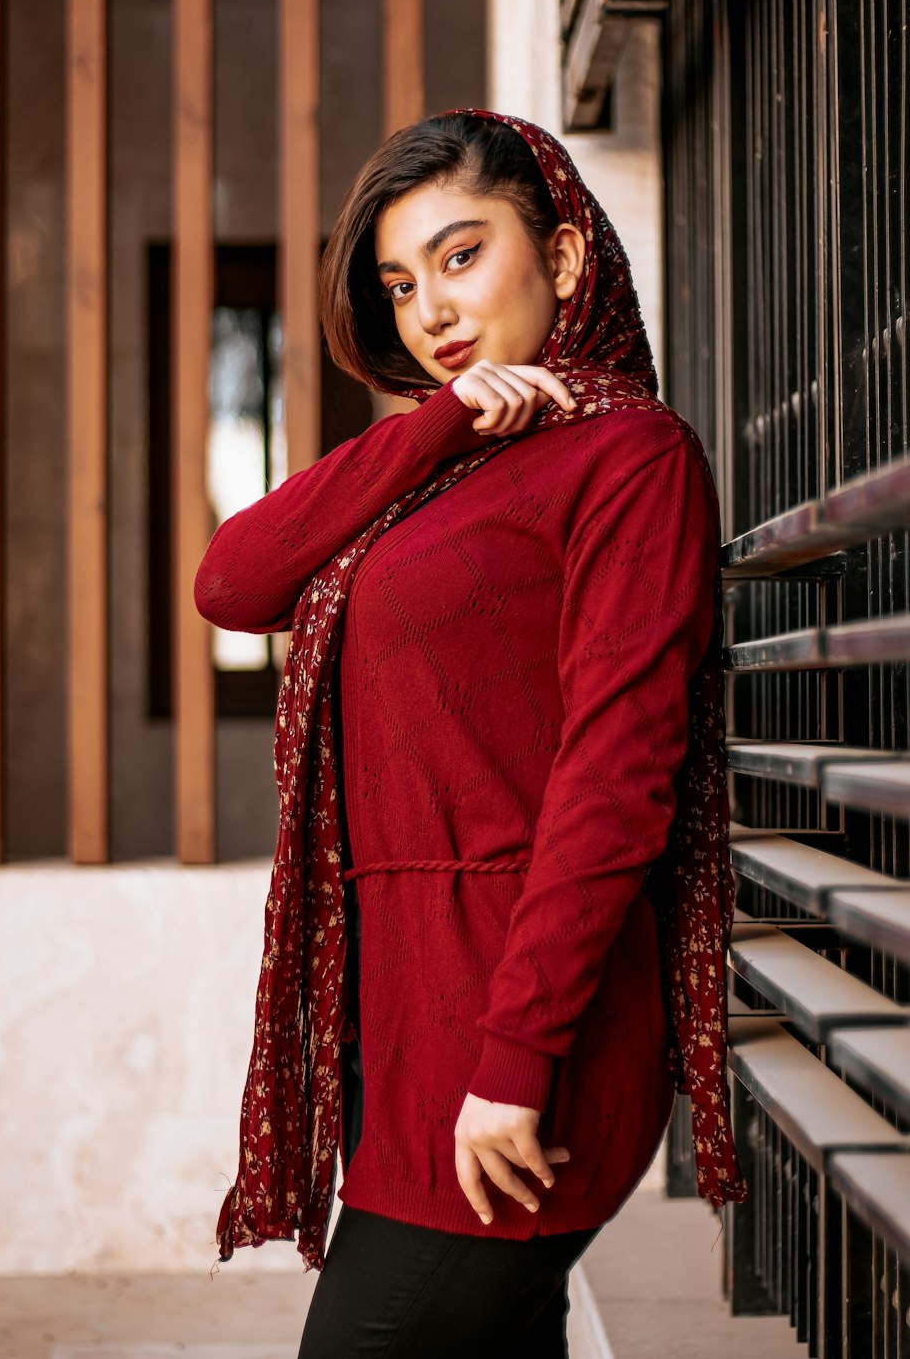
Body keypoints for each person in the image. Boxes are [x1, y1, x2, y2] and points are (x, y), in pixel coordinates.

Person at [194, 110, 747, 1357]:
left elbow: (617, 774)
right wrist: (435, 425)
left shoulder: (631, 457)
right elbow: (233, 584)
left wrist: (511, 1061)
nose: (430, 310)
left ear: (560, 259)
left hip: (522, 1029)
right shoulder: (443, 465)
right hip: (407, 1023)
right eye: (400, 283)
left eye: (460, 257)